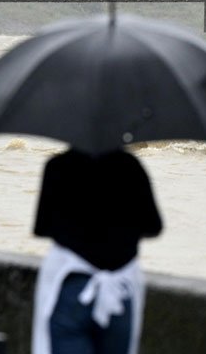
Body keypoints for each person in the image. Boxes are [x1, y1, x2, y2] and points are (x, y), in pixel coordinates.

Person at [32, 147, 163, 354]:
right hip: (119, 292)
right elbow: (154, 227)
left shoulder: (57, 167)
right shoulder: (131, 167)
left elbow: (41, 228)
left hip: (71, 288)